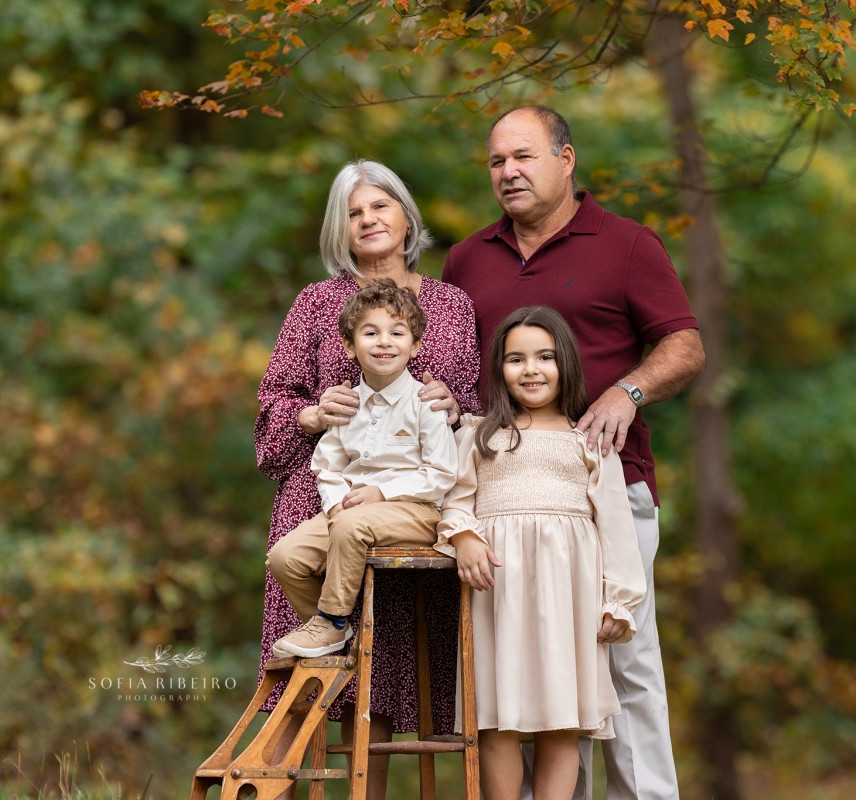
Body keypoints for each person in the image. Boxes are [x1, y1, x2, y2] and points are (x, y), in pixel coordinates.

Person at [442, 106, 706, 800]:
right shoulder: (466, 260)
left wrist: (628, 391)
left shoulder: (626, 245)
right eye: (497, 161)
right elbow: (451, 370)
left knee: (623, 662)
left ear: (566, 159)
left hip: (607, 490)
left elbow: (685, 346)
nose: (508, 173)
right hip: (502, 504)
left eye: (524, 157)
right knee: (531, 672)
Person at [254, 159, 480, 798]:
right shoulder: (318, 303)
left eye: (380, 205)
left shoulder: (452, 305)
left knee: (381, 681)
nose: (369, 219)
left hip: (413, 505)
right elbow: (272, 401)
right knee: (304, 682)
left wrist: (454, 404)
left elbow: (474, 405)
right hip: (322, 496)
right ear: (341, 232)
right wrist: (309, 413)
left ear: (407, 216)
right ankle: (275, 786)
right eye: (354, 213)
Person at [435, 305, 646, 800]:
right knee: (498, 715)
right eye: (516, 360)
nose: (530, 370)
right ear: (499, 370)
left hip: (567, 596)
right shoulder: (480, 435)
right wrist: (464, 536)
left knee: (562, 718)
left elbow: (616, 527)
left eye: (544, 357)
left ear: (565, 364)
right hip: (497, 593)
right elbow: (451, 500)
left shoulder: (589, 442)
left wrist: (620, 601)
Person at [269, 279, 457, 657]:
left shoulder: (425, 403)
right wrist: (336, 501)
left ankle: (332, 620)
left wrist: (381, 493)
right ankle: (332, 633)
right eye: (371, 333)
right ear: (350, 347)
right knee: (284, 557)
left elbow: (442, 474)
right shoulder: (347, 403)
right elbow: (326, 464)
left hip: (416, 510)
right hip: (352, 512)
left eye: (397, 332)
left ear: (415, 345)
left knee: (354, 526)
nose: (384, 342)